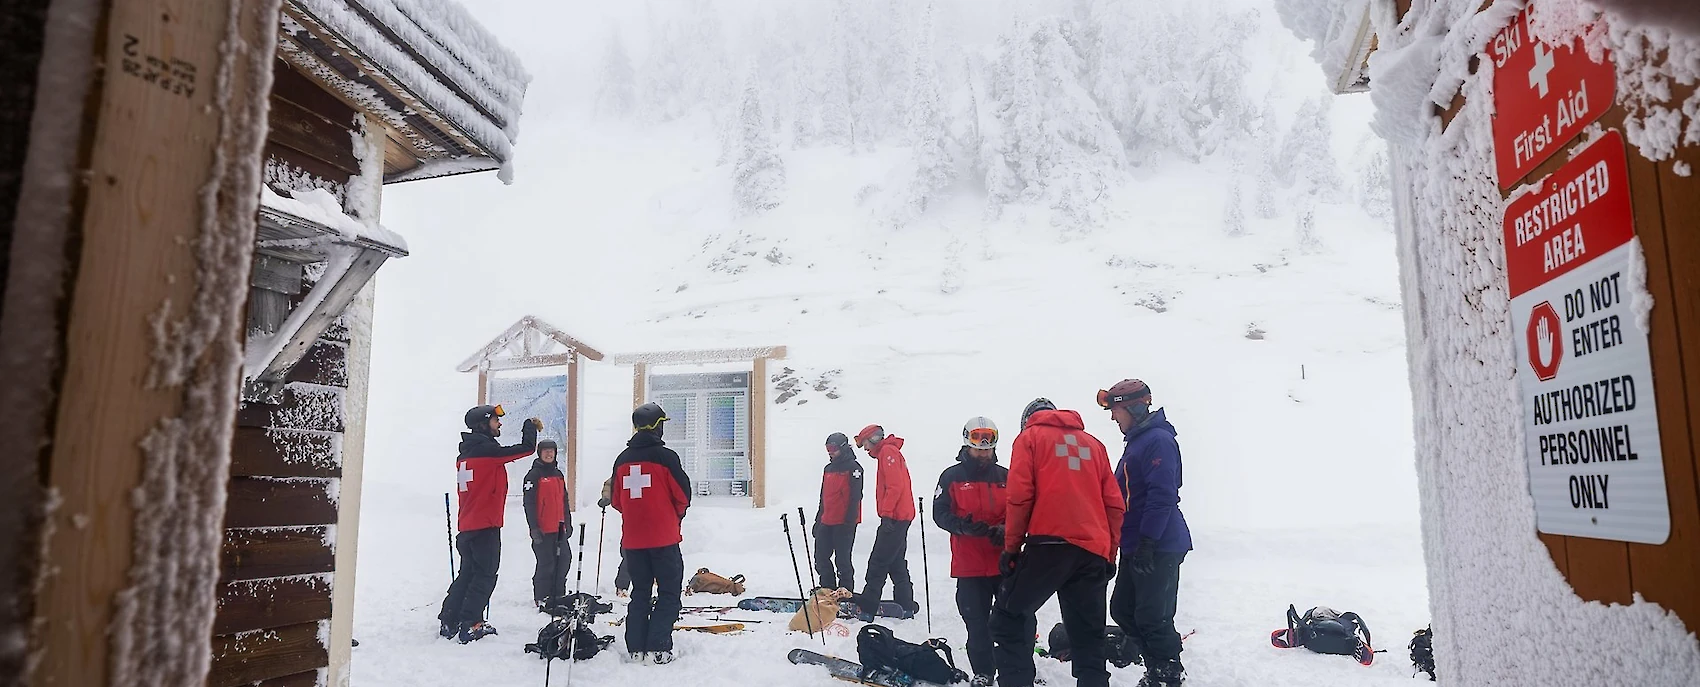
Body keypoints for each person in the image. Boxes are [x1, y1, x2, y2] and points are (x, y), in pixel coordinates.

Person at [990, 398, 1124, 687]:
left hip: (1049, 545)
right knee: (1089, 637)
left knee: (1007, 618)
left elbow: (1019, 497)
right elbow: (1114, 505)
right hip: (1093, 551)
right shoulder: (1094, 444)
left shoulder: (1030, 439)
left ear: (1027, 420)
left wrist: (1011, 548)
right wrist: (1109, 555)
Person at [1101, 380, 1191, 687]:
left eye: (1116, 411)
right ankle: (1157, 664)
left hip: (1159, 543)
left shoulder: (1157, 441)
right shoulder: (1138, 442)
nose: (1114, 418)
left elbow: (1162, 494)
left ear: (1134, 408)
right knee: (1123, 609)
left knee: (1153, 616)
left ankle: (1166, 672)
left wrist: (1149, 541)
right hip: (1136, 543)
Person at [438, 404, 539, 643]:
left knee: (468, 573)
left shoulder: (465, 455)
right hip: (485, 527)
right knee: (485, 575)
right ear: (484, 424)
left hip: (468, 526)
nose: (500, 424)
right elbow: (526, 449)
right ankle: (471, 623)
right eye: (496, 420)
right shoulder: (487, 452)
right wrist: (530, 427)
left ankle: (449, 619)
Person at [610, 402, 692, 665]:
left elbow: (616, 500)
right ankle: (658, 647)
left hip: (633, 541)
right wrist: (673, 517)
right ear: (658, 427)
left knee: (640, 592)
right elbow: (682, 495)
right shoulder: (667, 457)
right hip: (664, 539)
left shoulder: (622, 459)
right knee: (669, 592)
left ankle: (635, 648)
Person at [933, 417, 1010, 687]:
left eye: (988, 448)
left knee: (1011, 622)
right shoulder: (951, 476)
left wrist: (1006, 528)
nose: (984, 453)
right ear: (967, 445)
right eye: (979, 448)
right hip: (969, 565)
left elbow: (1023, 512)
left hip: (1004, 563)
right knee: (976, 625)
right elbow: (939, 514)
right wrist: (962, 527)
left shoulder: (1006, 476)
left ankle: (1015, 671)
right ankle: (984, 673)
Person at [854, 423, 917, 620]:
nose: (865, 448)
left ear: (873, 439)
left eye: (865, 443)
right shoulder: (889, 452)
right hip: (900, 516)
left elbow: (894, 487)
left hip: (895, 517)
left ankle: (868, 607)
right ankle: (905, 604)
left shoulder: (887, 452)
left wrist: (887, 514)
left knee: (878, 562)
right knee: (896, 562)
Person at [523, 439, 572, 610]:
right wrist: (533, 528)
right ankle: (542, 595)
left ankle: (558, 594)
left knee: (564, 559)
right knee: (546, 563)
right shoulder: (533, 475)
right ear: (540, 453)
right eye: (546, 451)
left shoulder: (558, 474)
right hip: (543, 530)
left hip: (559, 528)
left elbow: (564, 501)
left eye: (552, 451)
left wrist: (568, 522)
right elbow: (529, 503)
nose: (549, 454)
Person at [813, 432, 863, 590]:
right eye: (827, 448)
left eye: (833, 448)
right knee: (820, 558)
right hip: (827, 520)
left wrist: (850, 520)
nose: (830, 451)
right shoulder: (828, 468)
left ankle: (845, 590)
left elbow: (856, 496)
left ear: (842, 447)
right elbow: (824, 496)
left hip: (844, 522)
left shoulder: (854, 468)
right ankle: (827, 588)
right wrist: (818, 520)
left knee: (842, 560)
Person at [599, 478, 631, 597]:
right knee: (629, 553)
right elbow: (611, 482)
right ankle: (622, 586)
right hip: (632, 514)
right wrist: (606, 497)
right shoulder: (628, 465)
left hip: (655, 515)